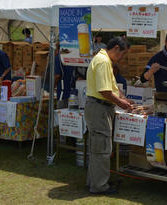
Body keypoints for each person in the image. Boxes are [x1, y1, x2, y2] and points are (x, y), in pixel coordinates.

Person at [85, 37, 133, 195]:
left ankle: (96, 181)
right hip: (99, 109)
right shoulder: (103, 61)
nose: (122, 58)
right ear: (117, 48)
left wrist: (121, 98)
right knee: (101, 149)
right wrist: (121, 103)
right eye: (123, 54)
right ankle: (100, 186)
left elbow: (108, 88)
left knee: (97, 148)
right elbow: (104, 91)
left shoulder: (101, 59)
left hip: (98, 108)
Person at [54, 42, 75, 108]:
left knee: (60, 112)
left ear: (57, 49)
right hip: (72, 91)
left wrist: (53, 85)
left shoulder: (58, 58)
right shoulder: (71, 57)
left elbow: (57, 75)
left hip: (61, 90)